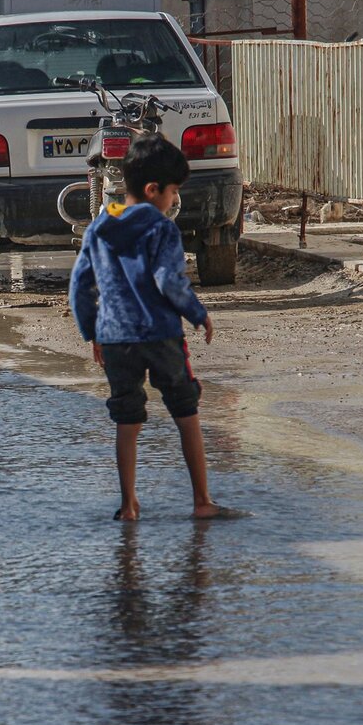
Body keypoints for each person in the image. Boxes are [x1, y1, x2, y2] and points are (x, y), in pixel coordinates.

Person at [69, 133, 243, 522]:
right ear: (153, 190)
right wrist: (198, 313)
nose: (173, 200)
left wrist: (92, 332)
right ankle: (201, 502)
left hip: (115, 338)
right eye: (173, 192)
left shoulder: (100, 227)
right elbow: (168, 280)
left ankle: (129, 506)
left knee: (127, 419)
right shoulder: (162, 228)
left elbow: (80, 285)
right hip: (161, 334)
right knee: (186, 412)